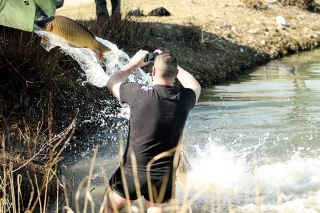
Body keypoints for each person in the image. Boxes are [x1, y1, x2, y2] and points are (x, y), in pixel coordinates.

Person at [103, 49, 201, 213]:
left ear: (153, 71)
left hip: (131, 174)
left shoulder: (138, 92)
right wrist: (173, 66)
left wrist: (133, 63)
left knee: (108, 209)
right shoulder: (183, 99)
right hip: (163, 181)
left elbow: (112, 82)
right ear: (175, 73)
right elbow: (194, 85)